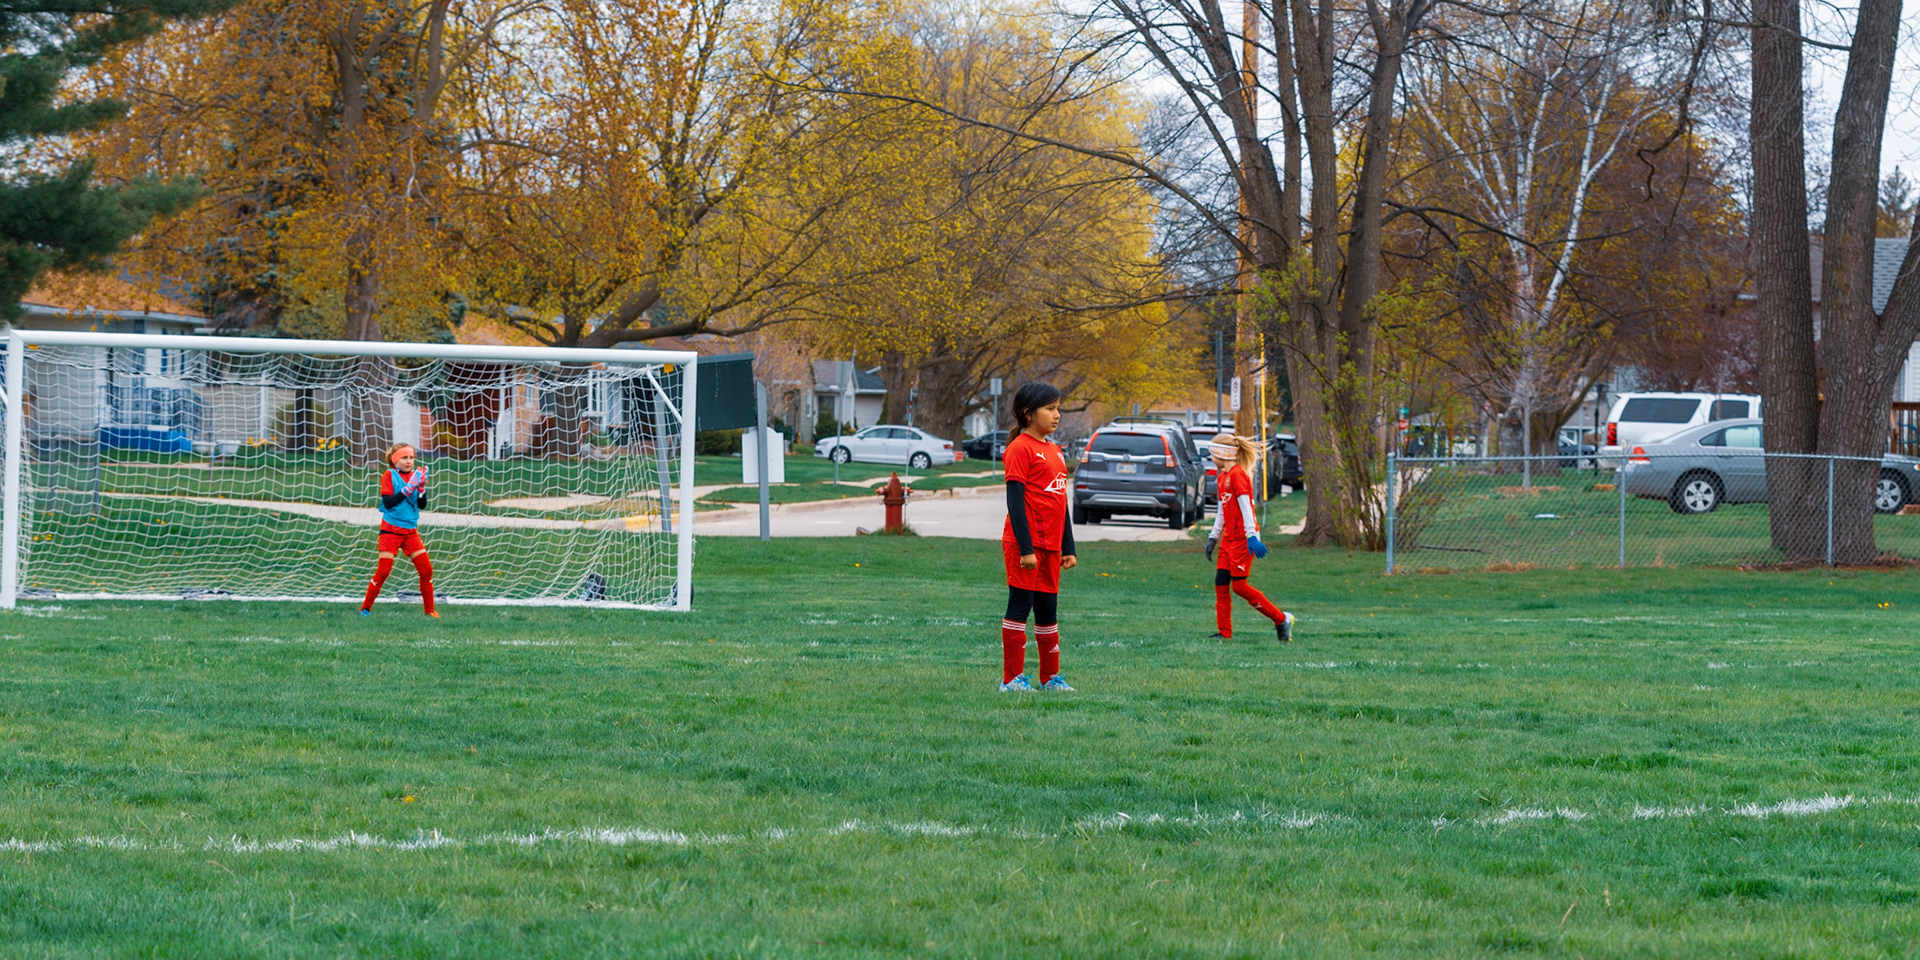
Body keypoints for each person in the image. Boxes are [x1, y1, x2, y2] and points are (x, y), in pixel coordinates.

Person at [998, 382, 1077, 691]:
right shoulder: (1020, 448)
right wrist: (1026, 548)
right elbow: (1015, 501)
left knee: (1048, 611)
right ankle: (1011, 679)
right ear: (1028, 414)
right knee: (1021, 606)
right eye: (1050, 409)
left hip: (1051, 546)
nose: (1057, 415)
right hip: (1025, 545)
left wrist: (1067, 546)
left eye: (1058, 409)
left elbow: (1061, 501)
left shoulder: (1055, 450)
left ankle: (1050, 678)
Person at [1204, 434, 1293, 642]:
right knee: (1221, 583)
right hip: (1228, 540)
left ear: (1221, 453)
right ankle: (1224, 633)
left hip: (1243, 539)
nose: (1211, 458)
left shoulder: (1238, 476)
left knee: (1240, 587)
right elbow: (1221, 512)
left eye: (1212, 454)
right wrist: (1213, 537)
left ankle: (1281, 619)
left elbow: (1247, 508)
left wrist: (1252, 536)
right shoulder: (1222, 477)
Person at [360, 443, 438, 617]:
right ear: (395, 460)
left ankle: (430, 610)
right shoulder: (389, 475)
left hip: (410, 532)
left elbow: (421, 505)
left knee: (426, 570)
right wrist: (408, 488)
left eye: (411, 458)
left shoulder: (415, 476)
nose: (409, 461)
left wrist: (421, 489)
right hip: (390, 531)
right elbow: (388, 502)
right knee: (384, 571)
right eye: (404, 457)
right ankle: (365, 608)